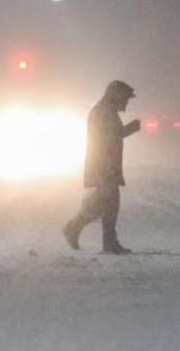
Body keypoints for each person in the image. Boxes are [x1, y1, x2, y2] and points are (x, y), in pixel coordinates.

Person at [63, 80, 141, 254]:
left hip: (105, 166)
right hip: (103, 166)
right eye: (125, 98)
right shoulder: (104, 112)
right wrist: (131, 129)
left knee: (106, 204)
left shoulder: (106, 110)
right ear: (116, 95)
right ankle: (97, 237)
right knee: (108, 204)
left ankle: (101, 239)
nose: (126, 103)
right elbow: (108, 138)